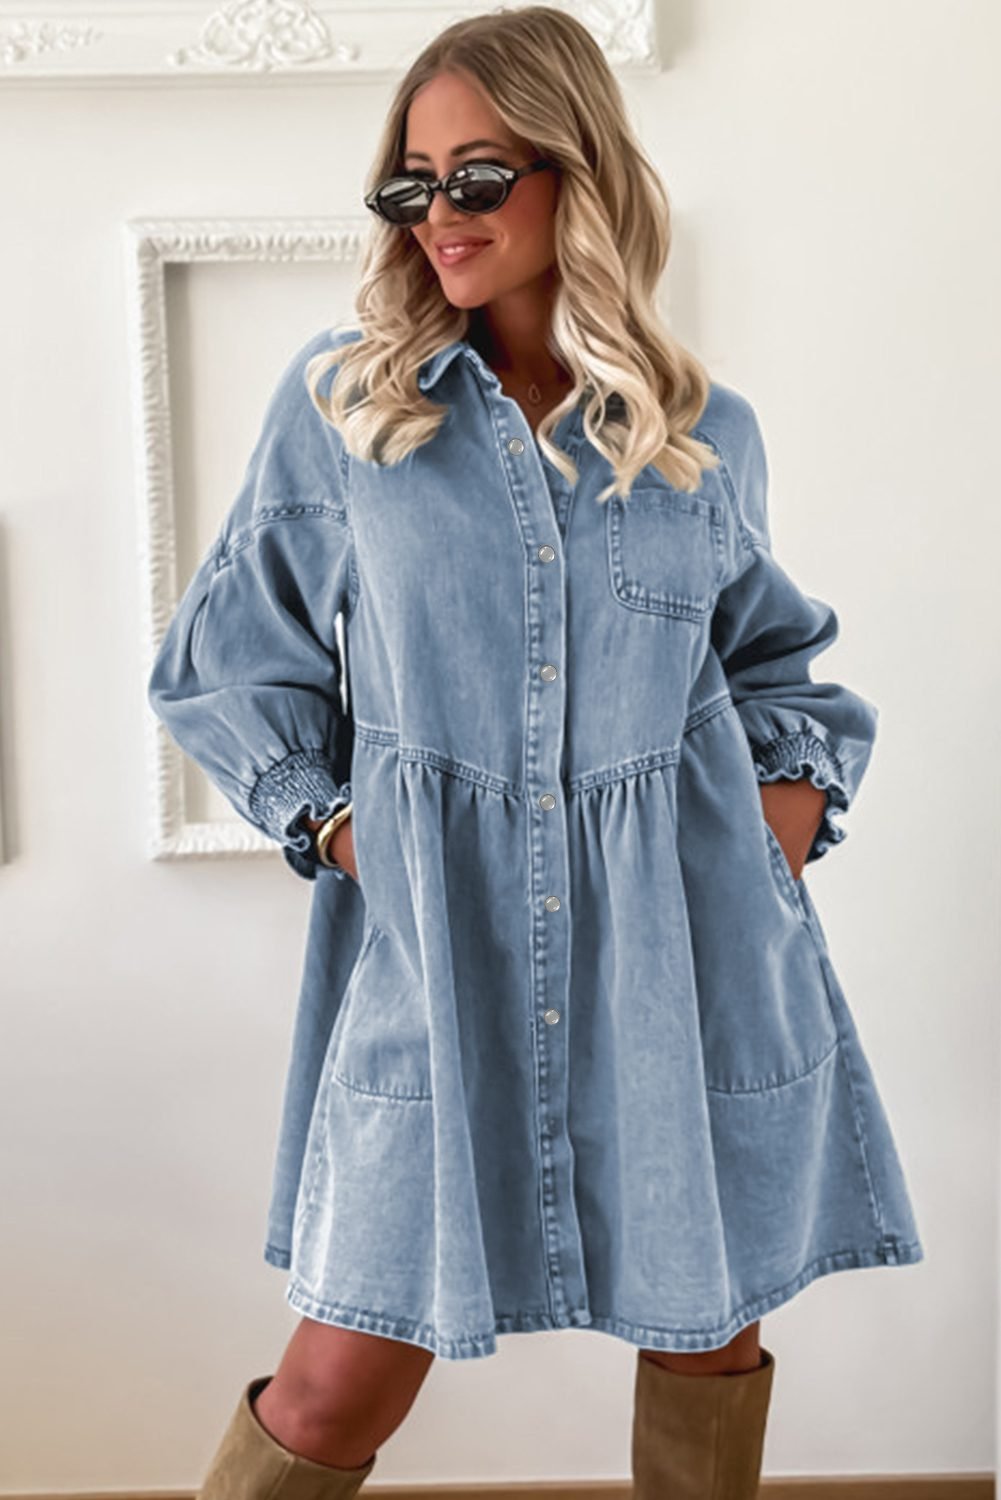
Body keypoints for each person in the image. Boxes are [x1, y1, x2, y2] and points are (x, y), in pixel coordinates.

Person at [147, 6, 925, 1496]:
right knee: (333, 1382)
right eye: (412, 183)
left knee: (706, 1341)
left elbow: (776, 669)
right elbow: (226, 666)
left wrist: (759, 847)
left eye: (479, 175)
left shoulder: (696, 430)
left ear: (579, 174)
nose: (438, 213)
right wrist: (344, 831)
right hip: (437, 966)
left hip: (680, 975)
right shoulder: (347, 410)